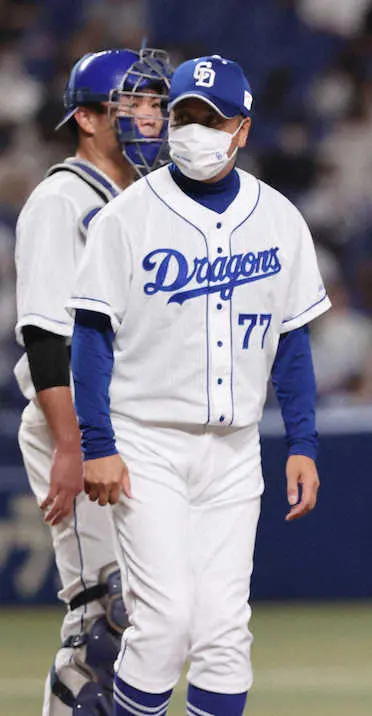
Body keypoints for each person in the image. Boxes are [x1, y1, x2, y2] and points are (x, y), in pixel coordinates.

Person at [67, 55, 330, 716]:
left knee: (222, 634)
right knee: (163, 626)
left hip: (235, 450)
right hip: (146, 442)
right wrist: (97, 441)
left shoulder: (279, 218)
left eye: (212, 119)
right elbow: (91, 336)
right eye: (184, 114)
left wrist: (304, 441)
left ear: (241, 129)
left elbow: (292, 343)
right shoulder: (127, 217)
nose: (195, 129)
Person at [13, 47, 172, 715]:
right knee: (102, 621)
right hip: (77, 422)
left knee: (149, 622)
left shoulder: (147, 204)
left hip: (134, 428)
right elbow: (46, 334)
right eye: (131, 104)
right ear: (85, 117)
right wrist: (71, 446)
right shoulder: (62, 200)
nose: (150, 116)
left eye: (156, 103)